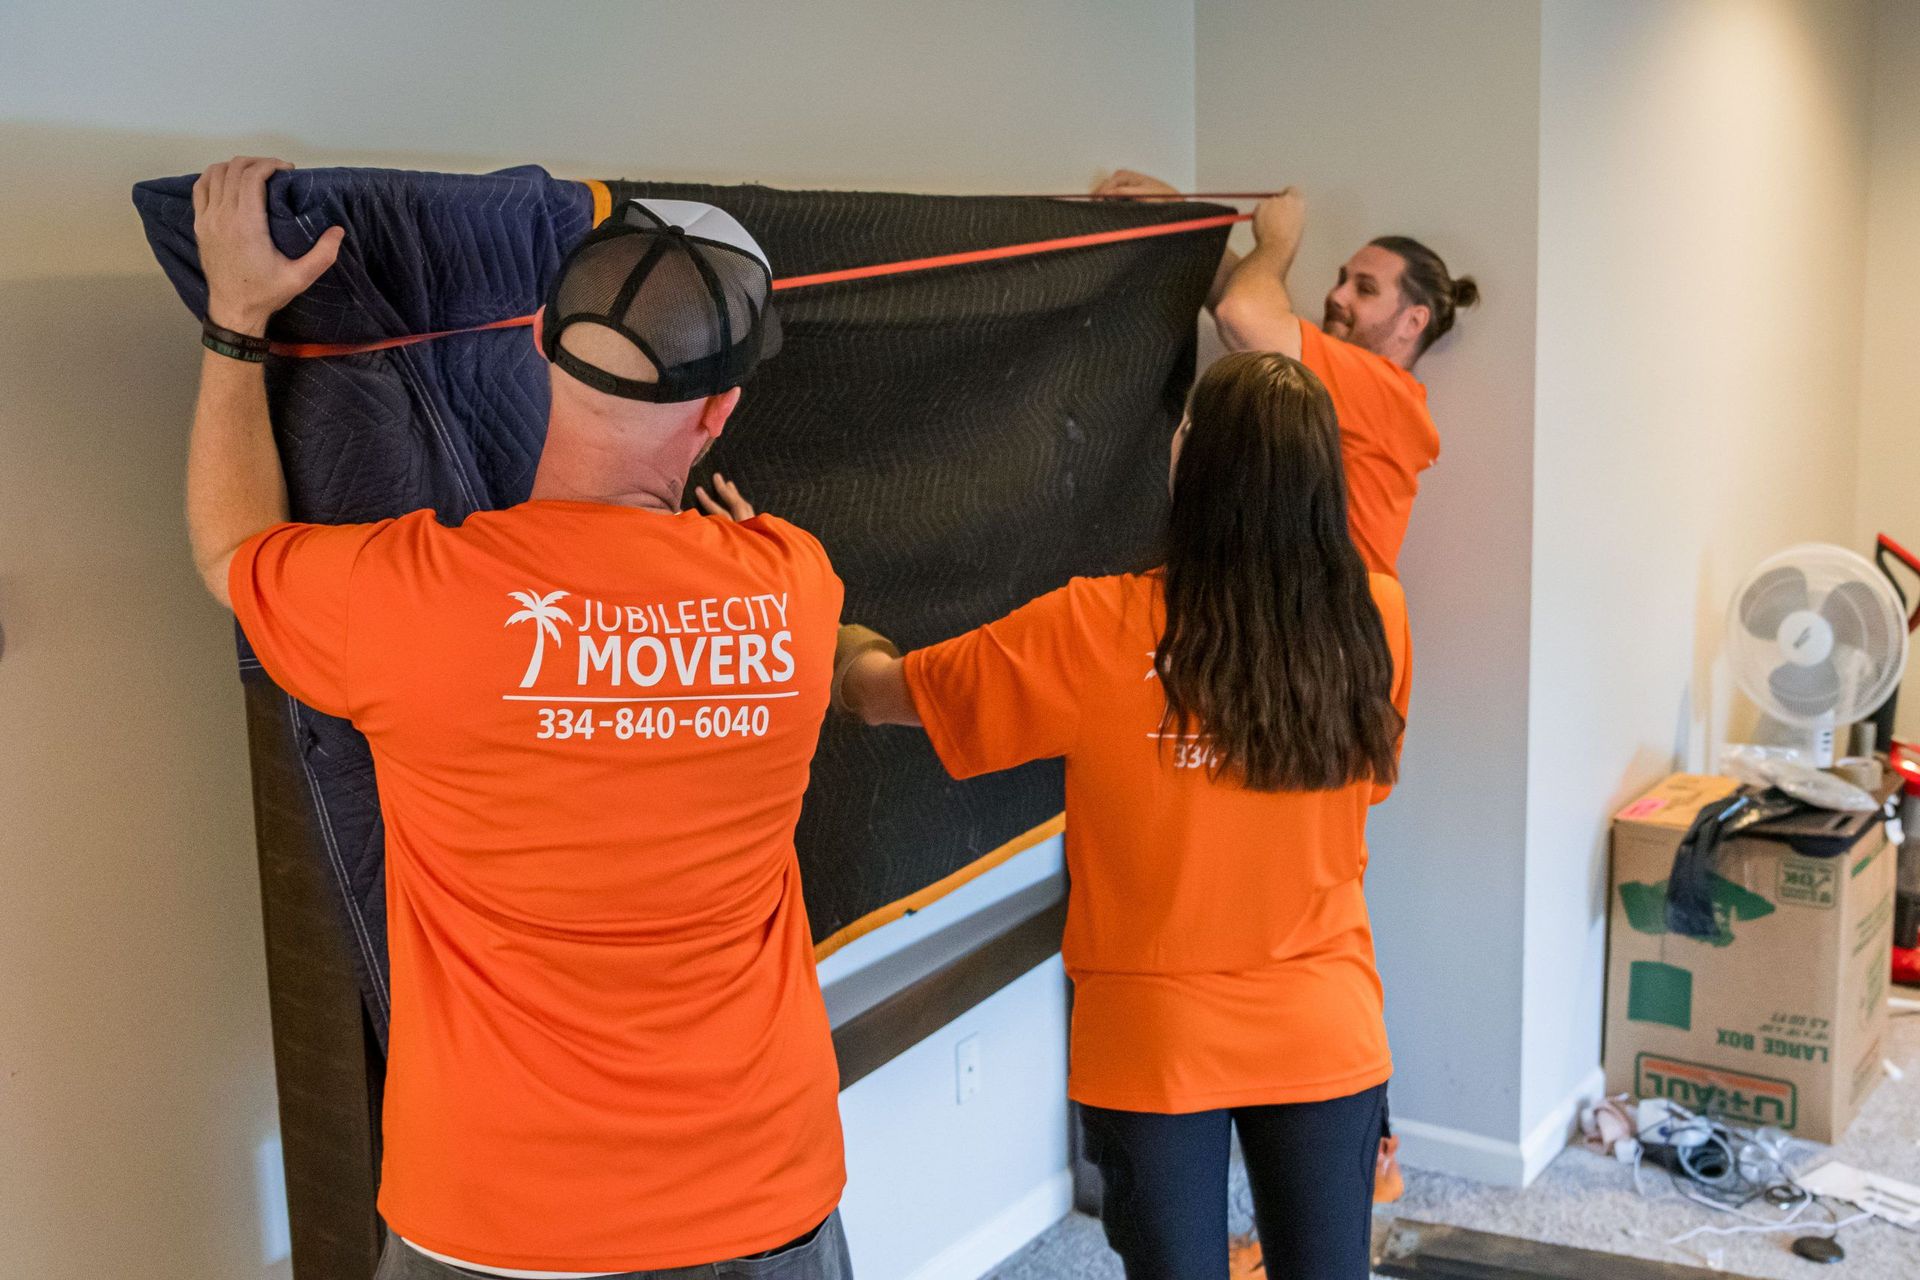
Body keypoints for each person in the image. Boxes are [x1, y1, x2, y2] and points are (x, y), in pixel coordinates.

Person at [185, 158, 851, 1279]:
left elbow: (229, 552)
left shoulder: (407, 598)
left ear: (536, 341)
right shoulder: (797, 585)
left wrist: (237, 320)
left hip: (497, 1215)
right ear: (722, 407)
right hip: (760, 1187)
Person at [829, 351, 1412, 1279]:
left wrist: (805, 598)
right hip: (1321, 1015)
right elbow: (1363, 789)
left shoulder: (1093, 629)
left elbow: (877, 692)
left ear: (1195, 467)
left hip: (1155, 1039)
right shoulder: (1375, 618)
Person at [1094, 169, 1477, 578]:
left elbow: (1241, 313)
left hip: (1332, 629)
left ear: (1413, 322)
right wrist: (1181, 212)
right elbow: (1239, 297)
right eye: (1342, 280)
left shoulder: (1382, 388)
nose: (1337, 295)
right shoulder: (1357, 382)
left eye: (1364, 289)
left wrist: (1280, 240)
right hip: (1316, 619)